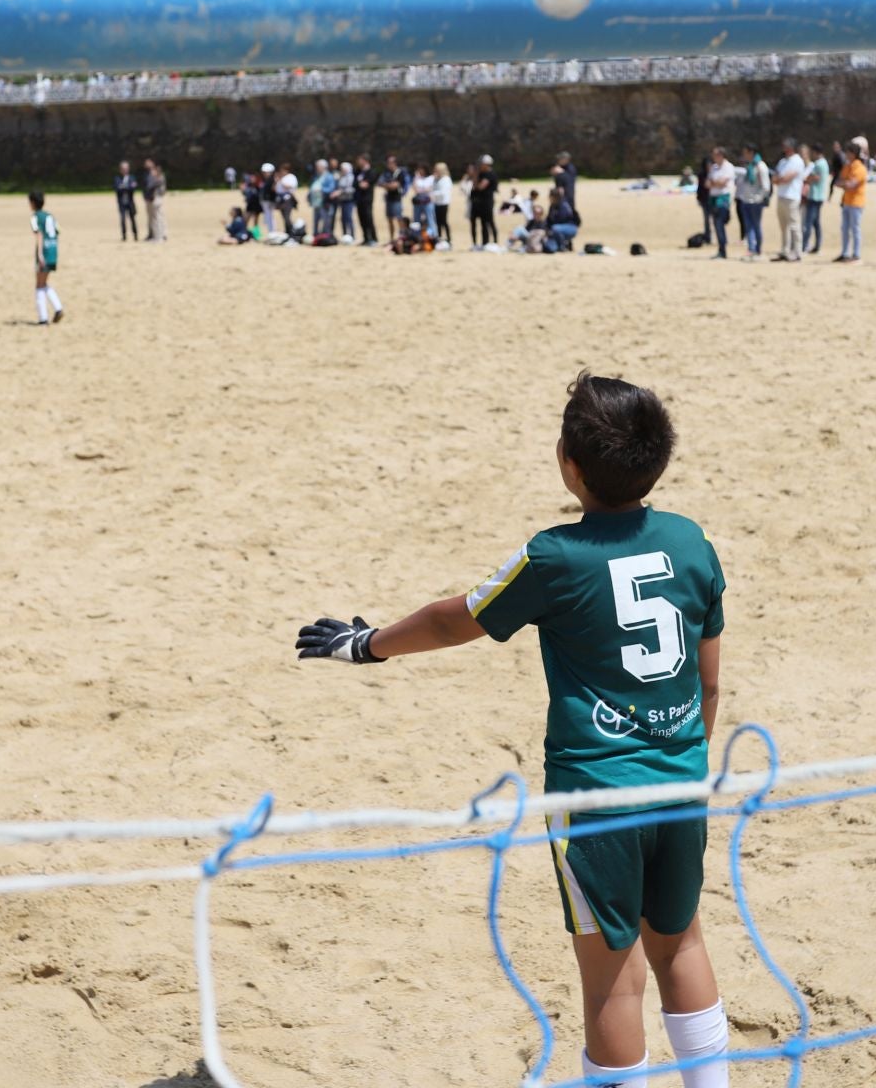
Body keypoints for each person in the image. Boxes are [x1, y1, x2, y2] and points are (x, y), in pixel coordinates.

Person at [295, 373, 732, 1088]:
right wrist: (682, 756)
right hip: (682, 781)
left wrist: (366, 644)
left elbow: (452, 620)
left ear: (569, 462)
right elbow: (709, 684)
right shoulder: (691, 543)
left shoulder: (555, 556)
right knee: (681, 946)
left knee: (613, 985)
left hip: (595, 798)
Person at [29, 191, 65, 324]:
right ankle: (58, 308)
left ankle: (43, 318)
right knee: (44, 283)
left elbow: (38, 234)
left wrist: (39, 254)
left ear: (32, 203)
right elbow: (58, 230)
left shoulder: (35, 217)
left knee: (39, 284)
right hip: (53, 250)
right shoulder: (50, 216)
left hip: (44, 252)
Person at [770, 139, 805, 263]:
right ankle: (785, 250)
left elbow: (787, 178)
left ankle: (797, 251)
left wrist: (780, 179)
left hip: (792, 197)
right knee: (783, 226)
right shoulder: (782, 161)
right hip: (781, 195)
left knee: (794, 225)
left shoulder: (797, 161)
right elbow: (775, 178)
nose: (784, 148)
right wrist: (780, 179)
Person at [732, 146, 768, 261]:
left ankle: (758, 249)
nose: (744, 155)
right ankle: (751, 249)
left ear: (751, 152)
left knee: (756, 226)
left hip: (756, 202)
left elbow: (766, 186)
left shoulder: (760, 166)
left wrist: (759, 198)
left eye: (745, 153)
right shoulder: (749, 166)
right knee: (748, 227)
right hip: (746, 200)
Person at [834, 143, 867, 263]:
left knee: (855, 228)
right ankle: (845, 253)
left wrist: (844, 184)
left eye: (849, 152)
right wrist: (844, 184)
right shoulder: (847, 166)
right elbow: (839, 181)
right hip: (846, 201)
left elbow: (850, 185)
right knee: (845, 228)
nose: (846, 155)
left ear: (854, 154)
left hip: (856, 202)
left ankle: (856, 254)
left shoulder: (860, 168)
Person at [704, 148, 734, 260]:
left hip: (723, 198)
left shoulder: (728, 167)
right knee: (716, 224)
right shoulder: (714, 167)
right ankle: (721, 248)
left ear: (721, 155)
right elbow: (707, 183)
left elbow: (722, 183)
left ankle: (723, 249)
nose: (713, 157)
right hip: (713, 197)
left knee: (720, 222)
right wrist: (715, 183)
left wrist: (714, 183)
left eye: (715, 155)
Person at [800, 146, 828, 256]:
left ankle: (804, 246)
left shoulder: (818, 164)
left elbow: (813, 178)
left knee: (808, 222)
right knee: (816, 223)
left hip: (815, 196)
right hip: (819, 196)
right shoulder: (824, 163)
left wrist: (807, 178)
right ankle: (817, 246)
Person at [378, 156, 411, 245]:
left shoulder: (400, 173)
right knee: (389, 219)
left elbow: (395, 186)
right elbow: (380, 183)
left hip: (397, 199)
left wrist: (387, 185)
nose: (389, 164)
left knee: (399, 219)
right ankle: (392, 239)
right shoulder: (386, 172)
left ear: (395, 163)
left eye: (390, 162)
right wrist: (389, 185)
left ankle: (401, 238)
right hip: (388, 198)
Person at [472, 154, 499, 247]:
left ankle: (495, 242)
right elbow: (474, 186)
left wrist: (476, 178)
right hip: (480, 203)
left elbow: (480, 187)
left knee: (490, 222)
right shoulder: (481, 174)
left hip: (488, 202)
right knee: (483, 223)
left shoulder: (490, 174)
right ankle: (485, 242)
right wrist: (476, 175)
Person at [142, 159, 168, 242]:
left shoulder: (158, 177)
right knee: (155, 218)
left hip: (156, 198)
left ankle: (159, 237)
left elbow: (154, 187)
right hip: (151, 199)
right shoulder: (150, 175)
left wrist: (154, 178)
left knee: (157, 218)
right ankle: (155, 235)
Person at [114, 162, 140, 241]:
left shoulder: (132, 177)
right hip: (122, 203)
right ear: (120, 169)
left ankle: (135, 235)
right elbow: (117, 188)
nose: (125, 170)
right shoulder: (117, 178)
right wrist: (128, 186)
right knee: (122, 219)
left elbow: (134, 187)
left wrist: (123, 186)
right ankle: (124, 236)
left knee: (132, 219)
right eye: (123, 168)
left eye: (126, 168)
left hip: (130, 202)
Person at [430, 163, 454, 248]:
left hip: (444, 203)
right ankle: (439, 239)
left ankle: (449, 239)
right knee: (438, 222)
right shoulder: (436, 179)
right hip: (436, 203)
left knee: (443, 221)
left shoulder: (446, 179)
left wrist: (433, 194)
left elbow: (444, 192)